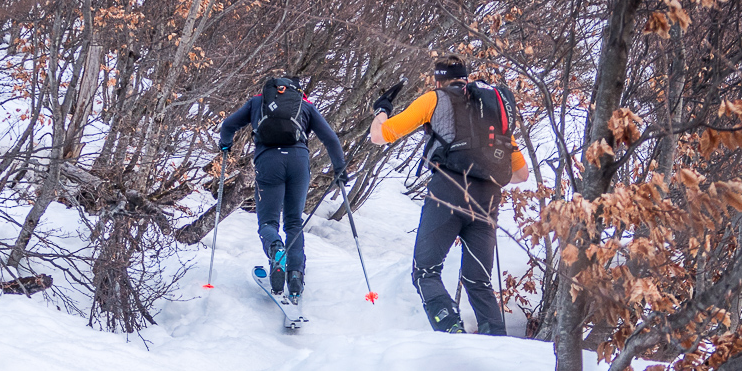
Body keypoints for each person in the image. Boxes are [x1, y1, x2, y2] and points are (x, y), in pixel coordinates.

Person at [369, 56, 530, 334]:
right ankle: (498, 343)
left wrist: (381, 111)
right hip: (488, 198)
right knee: (478, 280)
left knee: (425, 272)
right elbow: (521, 174)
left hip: (448, 190)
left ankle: (450, 330)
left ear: (438, 79)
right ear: (465, 77)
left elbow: (381, 136)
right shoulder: (491, 109)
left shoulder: (434, 98)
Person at [220, 76, 348, 298]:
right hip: (298, 161)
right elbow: (330, 139)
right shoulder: (305, 105)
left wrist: (225, 144)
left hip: (268, 161)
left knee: (268, 222)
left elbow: (228, 125)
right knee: (293, 223)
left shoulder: (256, 102)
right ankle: (296, 274)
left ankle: (276, 250)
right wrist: (339, 169)